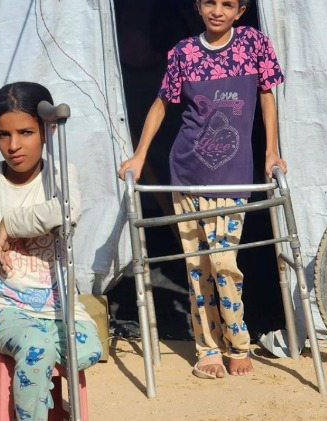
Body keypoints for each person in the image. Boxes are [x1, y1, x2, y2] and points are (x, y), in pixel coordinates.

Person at [118, 0, 286, 379]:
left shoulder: (253, 43)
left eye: (227, 4)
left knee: (224, 263)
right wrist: (139, 156)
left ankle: (238, 342)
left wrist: (271, 151)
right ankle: (207, 348)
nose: (218, 11)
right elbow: (162, 103)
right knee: (198, 267)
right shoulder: (184, 52)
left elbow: (266, 95)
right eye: (210, 2)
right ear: (198, 6)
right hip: (187, 173)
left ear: (240, 11)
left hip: (234, 176)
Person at [0, 81, 102, 420]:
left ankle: (33, 384)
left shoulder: (61, 175)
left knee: (88, 348)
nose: (13, 146)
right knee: (37, 347)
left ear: (47, 131)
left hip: (57, 308)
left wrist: (10, 224)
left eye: (26, 132)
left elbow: (66, 211)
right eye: (3, 135)